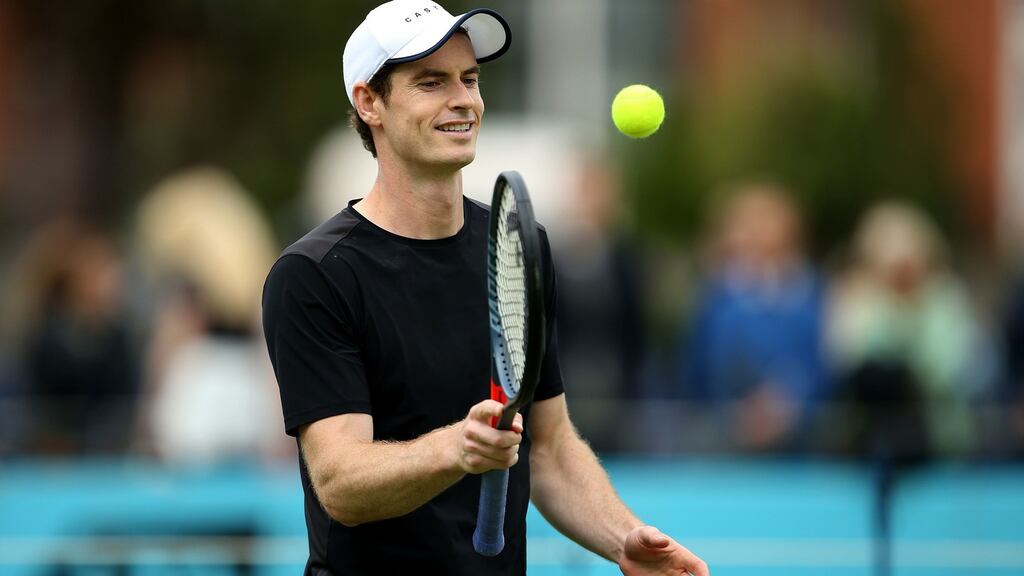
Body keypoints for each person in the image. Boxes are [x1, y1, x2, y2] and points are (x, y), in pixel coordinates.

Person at [261, 2, 709, 575]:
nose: (464, 100)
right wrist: (458, 449)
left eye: (469, 79)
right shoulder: (313, 274)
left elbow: (548, 446)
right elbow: (341, 484)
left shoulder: (519, 246)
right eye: (431, 82)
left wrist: (623, 539)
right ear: (369, 102)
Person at [679, 183, 831, 452]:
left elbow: (822, 365)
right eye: (749, 223)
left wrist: (788, 406)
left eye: (768, 220)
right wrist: (738, 411)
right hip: (728, 443)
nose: (759, 232)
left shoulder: (812, 293)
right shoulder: (716, 296)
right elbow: (698, 369)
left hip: (799, 446)